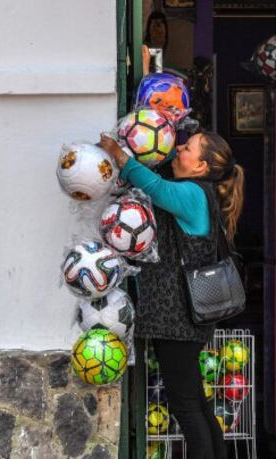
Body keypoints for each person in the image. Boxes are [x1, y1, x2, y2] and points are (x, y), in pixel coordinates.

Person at [99, 132, 245, 459]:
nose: (179, 148)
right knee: (196, 402)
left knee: (186, 406)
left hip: (176, 320)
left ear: (201, 166)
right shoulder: (198, 191)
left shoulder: (192, 193)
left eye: (187, 147)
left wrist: (118, 155)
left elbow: (155, 188)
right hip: (181, 320)